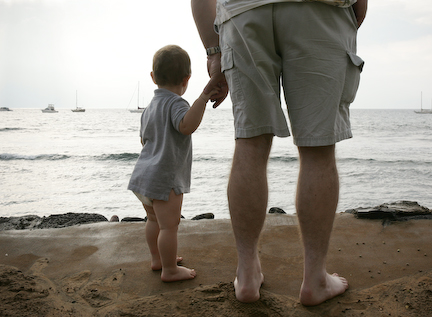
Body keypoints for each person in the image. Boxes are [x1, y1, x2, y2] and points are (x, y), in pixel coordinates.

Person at [192, 0, 367, 305]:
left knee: (250, 142)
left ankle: (246, 275)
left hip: (243, 11)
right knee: (318, 149)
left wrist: (213, 49)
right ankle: (314, 280)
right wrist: (353, 16)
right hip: (321, 10)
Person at [128, 44, 219, 282]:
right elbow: (186, 126)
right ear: (186, 79)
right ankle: (169, 270)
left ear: (152, 77)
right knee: (169, 227)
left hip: (143, 177)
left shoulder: (149, 108)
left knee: (154, 221)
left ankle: (158, 259)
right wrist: (203, 98)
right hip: (165, 179)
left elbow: (143, 140)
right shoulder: (177, 103)